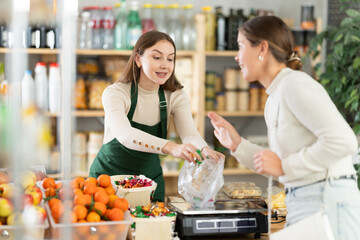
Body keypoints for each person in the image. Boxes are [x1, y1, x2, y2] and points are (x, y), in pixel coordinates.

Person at [208, 16, 360, 239]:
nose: (236, 56)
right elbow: (275, 164)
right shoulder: (275, 97)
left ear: (262, 48)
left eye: (240, 46)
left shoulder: (294, 84)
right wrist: (237, 144)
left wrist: (285, 166)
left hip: (325, 198)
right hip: (305, 200)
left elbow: (344, 142)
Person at [89, 31, 223, 202]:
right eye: (157, 57)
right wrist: (170, 147)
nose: (165, 65)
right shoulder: (116, 93)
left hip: (150, 182)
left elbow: (189, 134)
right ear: (138, 59)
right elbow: (125, 135)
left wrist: (204, 150)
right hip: (109, 180)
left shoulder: (175, 94)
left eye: (170, 59)